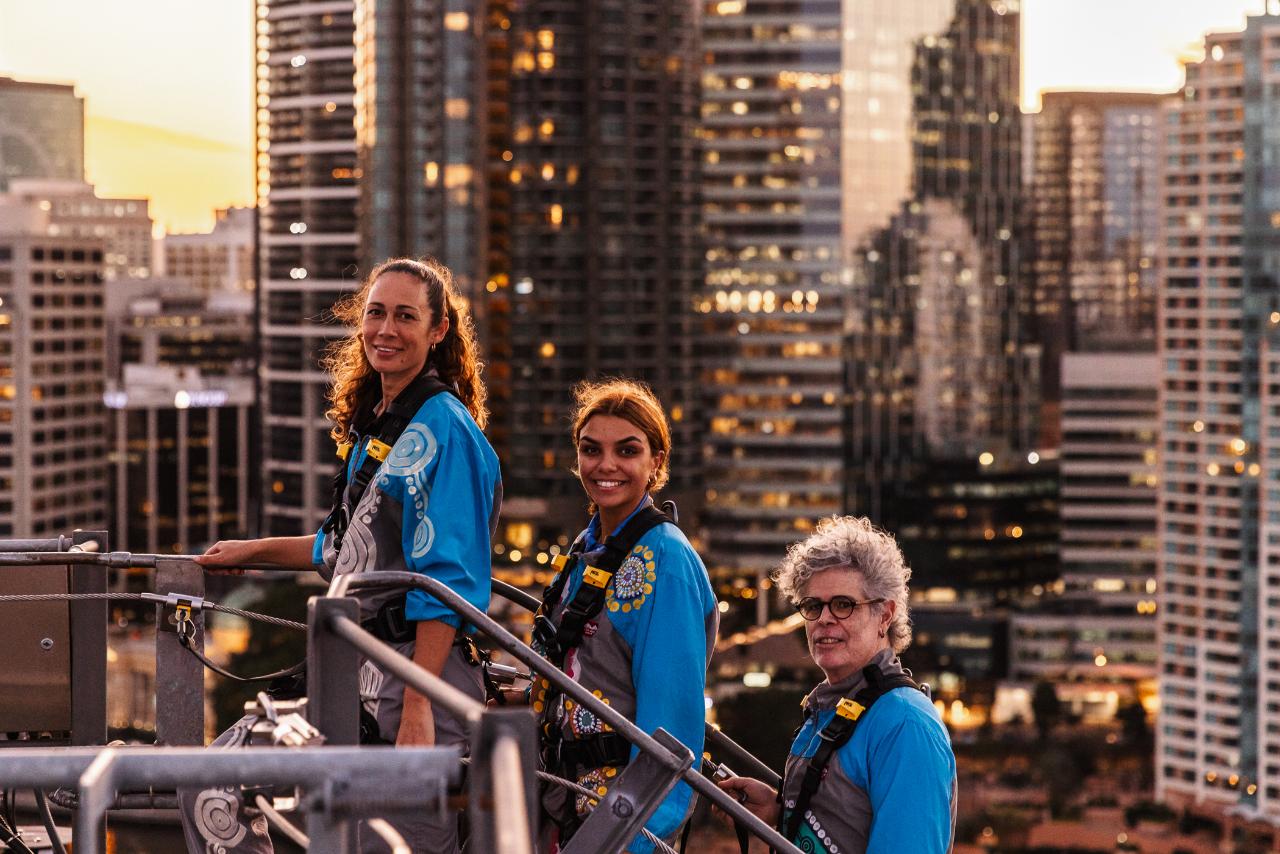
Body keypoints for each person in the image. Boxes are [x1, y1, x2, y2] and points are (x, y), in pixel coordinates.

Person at [179, 257, 501, 854]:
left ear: (438, 331)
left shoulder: (444, 430)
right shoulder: (383, 428)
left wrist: (416, 706)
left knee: (400, 845)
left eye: (406, 316)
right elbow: (341, 548)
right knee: (213, 784)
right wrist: (251, 551)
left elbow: (447, 583)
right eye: (375, 313)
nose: (386, 329)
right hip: (359, 675)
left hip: (416, 678)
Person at [531, 379, 718, 853]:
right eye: (591, 450)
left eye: (627, 450)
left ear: (657, 461)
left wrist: (634, 843)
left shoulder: (665, 563)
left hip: (617, 828)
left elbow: (669, 734)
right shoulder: (587, 549)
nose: (606, 465)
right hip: (560, 807)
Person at [717, 516, 955, 854]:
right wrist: (780, 809)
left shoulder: (904, 723)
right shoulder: (834, 706)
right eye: (813, 606)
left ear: (885, 616)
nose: (825, 618)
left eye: (844, 605)